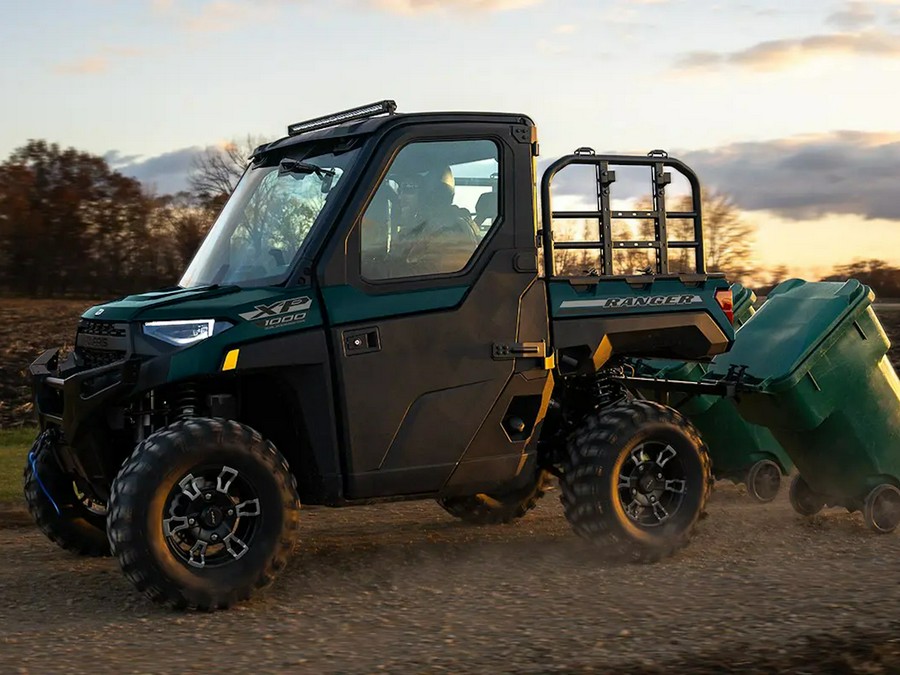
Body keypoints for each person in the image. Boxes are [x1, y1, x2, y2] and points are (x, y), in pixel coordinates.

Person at [392, 165, 479, 276]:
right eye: (399, 190)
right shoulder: (417, 229)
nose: (400, 197)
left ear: (431, 194)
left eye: (408, 189)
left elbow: (426, 277)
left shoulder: (450, 232)